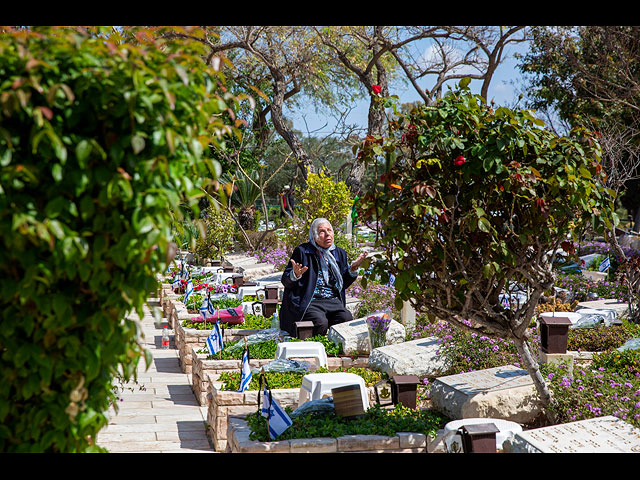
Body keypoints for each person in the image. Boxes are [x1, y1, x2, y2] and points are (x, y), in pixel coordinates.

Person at [280, 218, 368, 337]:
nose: (327, 234)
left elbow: (342, 285)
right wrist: (295, 275)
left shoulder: (339, 253)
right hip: (310, 301)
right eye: (322, 231)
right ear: (314, 236)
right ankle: (316, 346)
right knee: (320, 323)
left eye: (329, 230)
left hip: (332, 300)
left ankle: (335, 346)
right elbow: (286, 281)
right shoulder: (303, 252)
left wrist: (352, 270)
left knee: (346, 318)